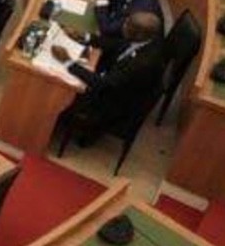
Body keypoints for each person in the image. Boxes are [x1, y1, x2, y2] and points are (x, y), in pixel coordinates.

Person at [51, 12, 165, 146]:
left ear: (140, 35)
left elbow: (102, 85)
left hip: (115, 103)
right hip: (114, 81)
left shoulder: (142, 63)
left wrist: (67, 61)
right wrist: (85, 37)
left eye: (128, 25)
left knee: (61, 87)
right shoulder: (146, 39)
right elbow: (119, 45)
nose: (124, 26)